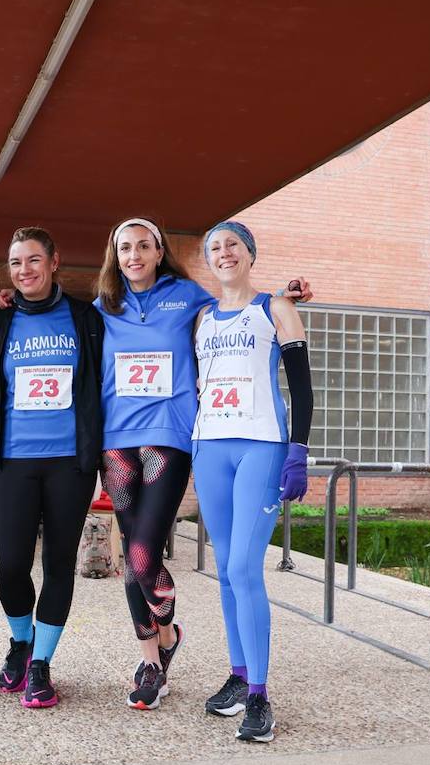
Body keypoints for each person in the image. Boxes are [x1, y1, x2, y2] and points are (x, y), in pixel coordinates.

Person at [95, 217, 313, 711]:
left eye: (143, 246)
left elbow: (250, 308)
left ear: (158, 250)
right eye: (124, 247)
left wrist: (284, 297)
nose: (134, 255)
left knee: (178, 557)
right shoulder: (112, 308)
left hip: (197, 439)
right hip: (157, 442)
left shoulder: (189, 298)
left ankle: (247, 684)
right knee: (145, 559)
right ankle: (168, 661)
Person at [192, 221, 312, 743]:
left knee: (245, 567)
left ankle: (261, 695)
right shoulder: (200, 319)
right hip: (209, 447)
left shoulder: (276, 309)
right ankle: (239, 678)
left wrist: (298, 450)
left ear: (250, 254)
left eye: (233, 245)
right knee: (224, 568)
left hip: (260, 447)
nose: (224, 253)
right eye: (214, 248)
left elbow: (303, 388)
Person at [0, 227, 103, 708]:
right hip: (13, 461)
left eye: (33, 260)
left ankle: (43, 664)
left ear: (54, 262)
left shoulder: (84, 318)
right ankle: (20, 642)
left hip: (69, 463)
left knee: (56, 564)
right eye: (15, 263)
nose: (24, 270)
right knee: (9, 566)